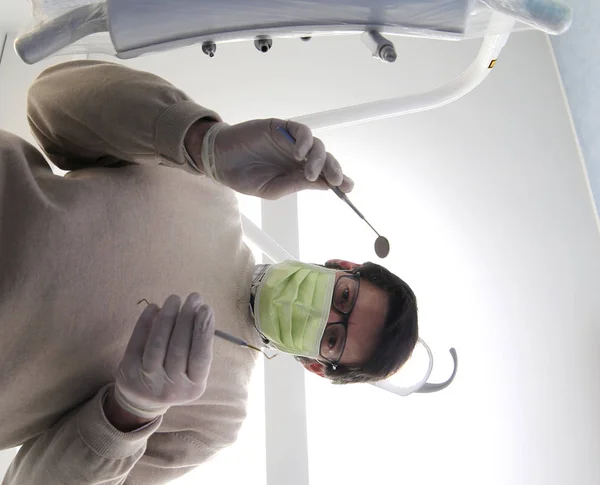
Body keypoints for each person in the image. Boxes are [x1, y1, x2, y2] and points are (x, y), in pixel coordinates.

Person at [0, 61, 418, 484]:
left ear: (315, 366)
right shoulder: (209, 187)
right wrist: (202, 141)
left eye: (332, 337)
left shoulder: (216, 418)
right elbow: (48, 100)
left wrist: (127, 414)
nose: (319, 311)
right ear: (342, 266)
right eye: (344, 297)